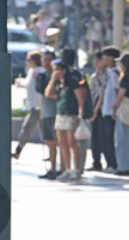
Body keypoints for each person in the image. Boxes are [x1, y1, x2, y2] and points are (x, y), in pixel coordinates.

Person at [44, 59, 86, 182]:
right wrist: (52, 79)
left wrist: (80, 113)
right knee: (62, 142)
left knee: (72, 142)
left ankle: (76, 169)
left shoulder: (72, 81)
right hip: (60, 114)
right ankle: (67, 169)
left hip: (71, 114)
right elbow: (47, 94)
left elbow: (80, 99)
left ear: (64, 70)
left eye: (58, 69)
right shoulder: (58, 83)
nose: (56, 72)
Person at [12, 51, 45, 160]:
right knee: (43, 130)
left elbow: (39, 87)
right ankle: (51, 152)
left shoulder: (39, 72)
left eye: (28, 60)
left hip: (37, 105)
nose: (26, 62)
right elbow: (28, 84)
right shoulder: (31, 71)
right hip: (34, 105)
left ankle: (18, 151)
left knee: (28, 127)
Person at [35, 50, 60, 179]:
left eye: (49, 60)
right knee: (50, 141)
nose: (47, 63)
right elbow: (40, 90)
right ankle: (53, 167)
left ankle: (62, 167)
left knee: (58, 141)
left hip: (56, 112)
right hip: (46, 111)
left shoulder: (58, 76)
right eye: (44, 60)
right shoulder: (42, 76)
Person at [97, 46, 120, 174]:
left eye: (106, 56)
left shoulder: (115, 73)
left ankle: (113, 163)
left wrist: (115, 110)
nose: (103, 59)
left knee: (110, 138)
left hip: (111, 111)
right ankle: (109, 163)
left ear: (112, 58)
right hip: (106, 110)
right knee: (105, 138)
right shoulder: (109, 73)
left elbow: (117, 91)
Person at [88, 51, 107, 171]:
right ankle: (96, 162)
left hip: (103, 109)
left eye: (98, 60)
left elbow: (103, 94)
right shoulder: (94, 76)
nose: (96, 63)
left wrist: (96, 110)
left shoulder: (107, 75)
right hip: (94, 107)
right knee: (94, 137)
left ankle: (110, 162)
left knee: (104, 136)